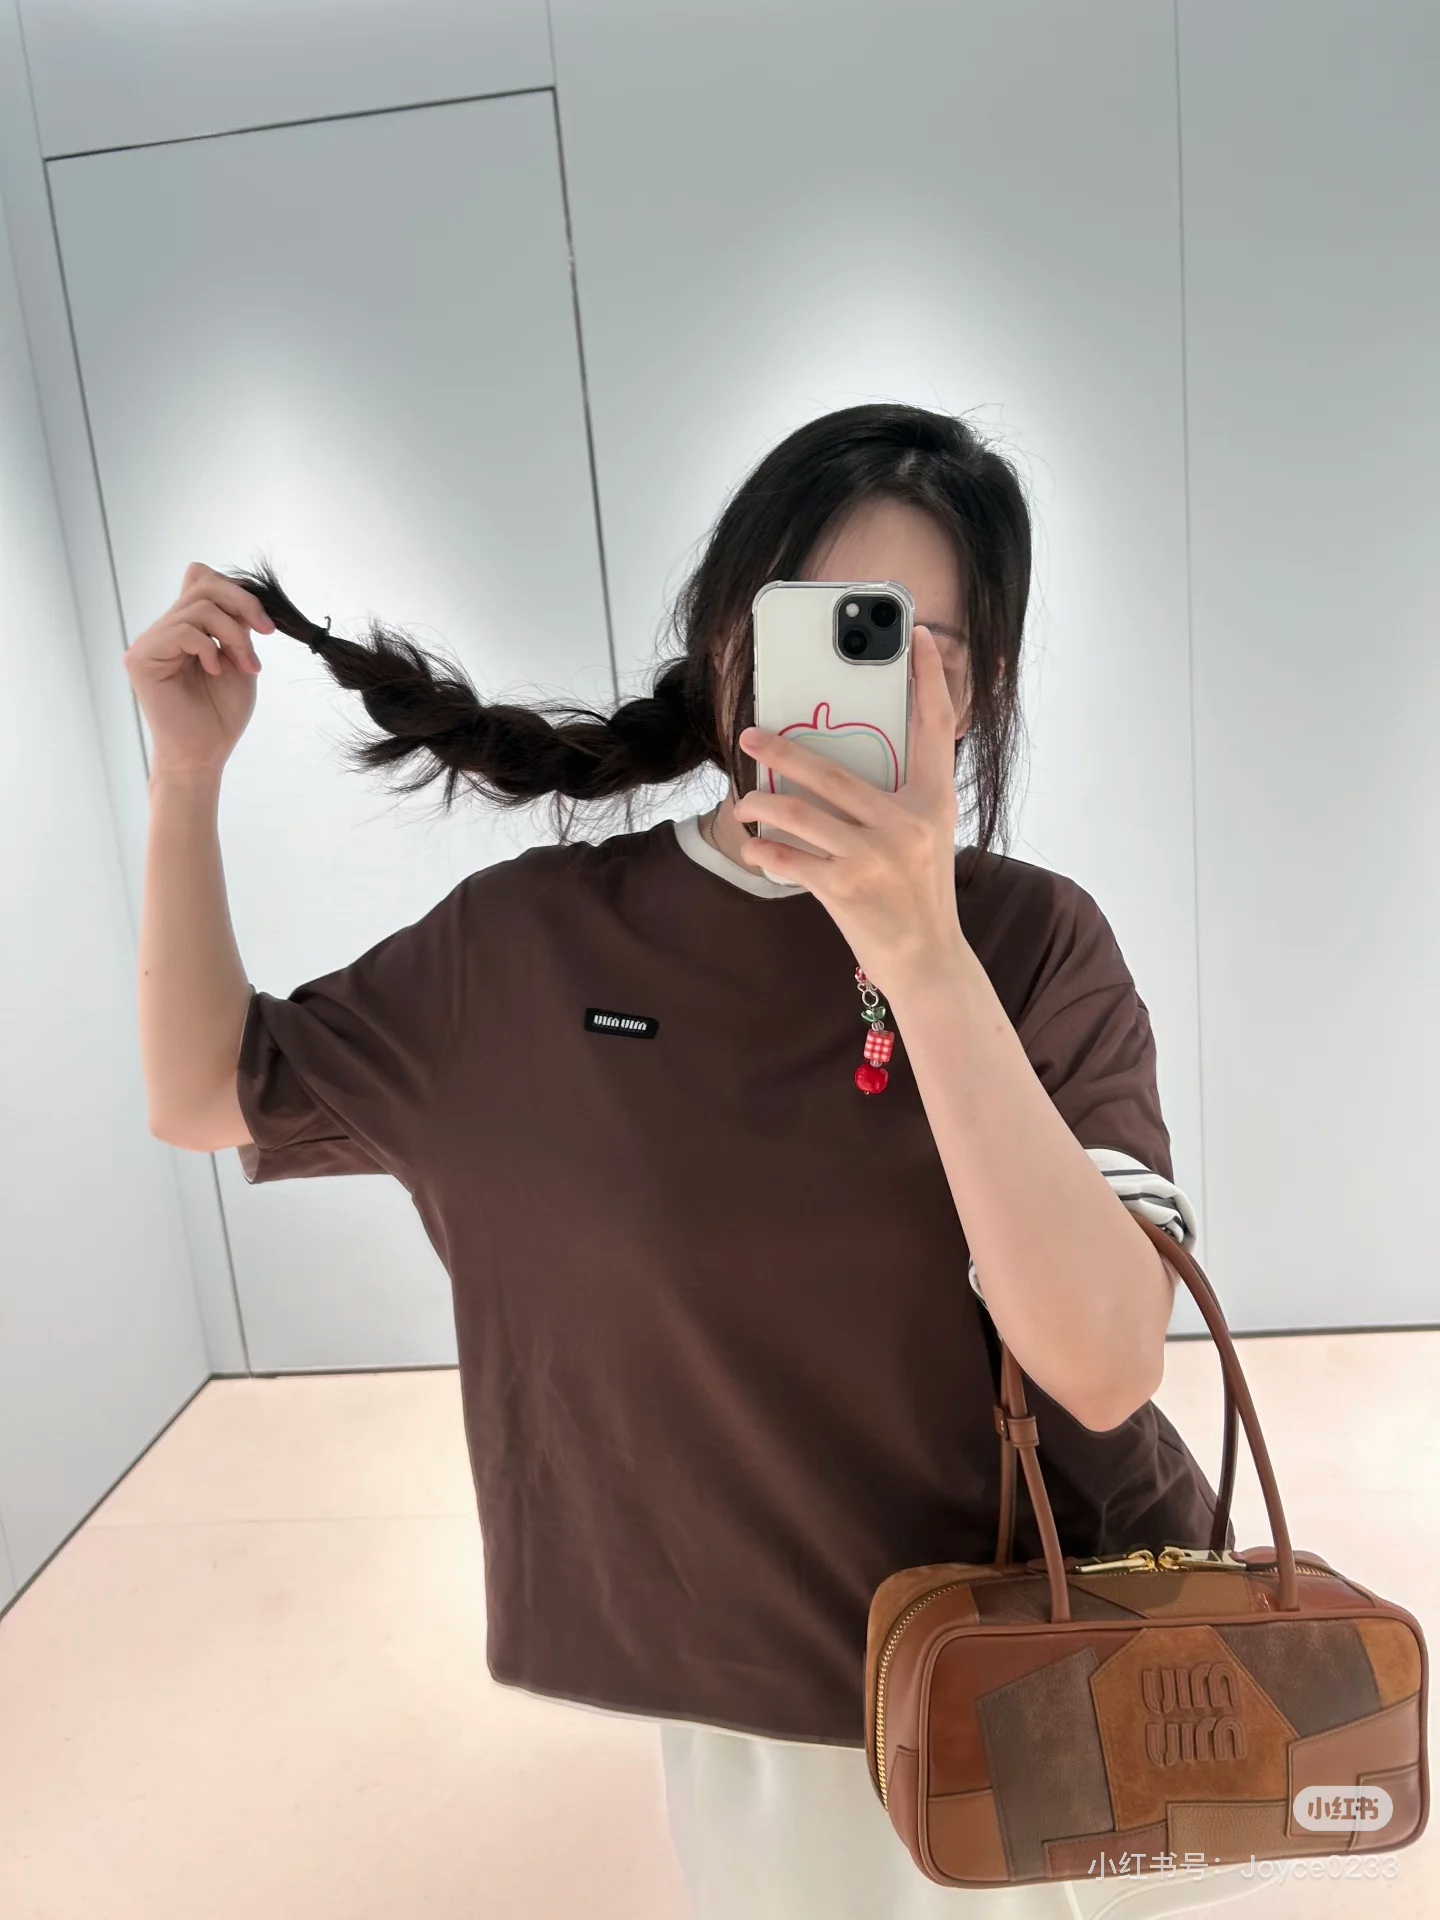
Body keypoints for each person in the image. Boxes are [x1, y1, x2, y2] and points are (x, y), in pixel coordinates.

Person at [128, 404, 1277, 1918]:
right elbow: (209, 1090)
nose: (870, 675)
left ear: (976, 689)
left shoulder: (1033, 942)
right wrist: (186, 781)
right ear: (731, 638)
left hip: (1077, 1665)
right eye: (830, 624)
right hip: (776, 1726)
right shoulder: (539, 947)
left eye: (921, 640)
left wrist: (920, 953)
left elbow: (1108, 1367)